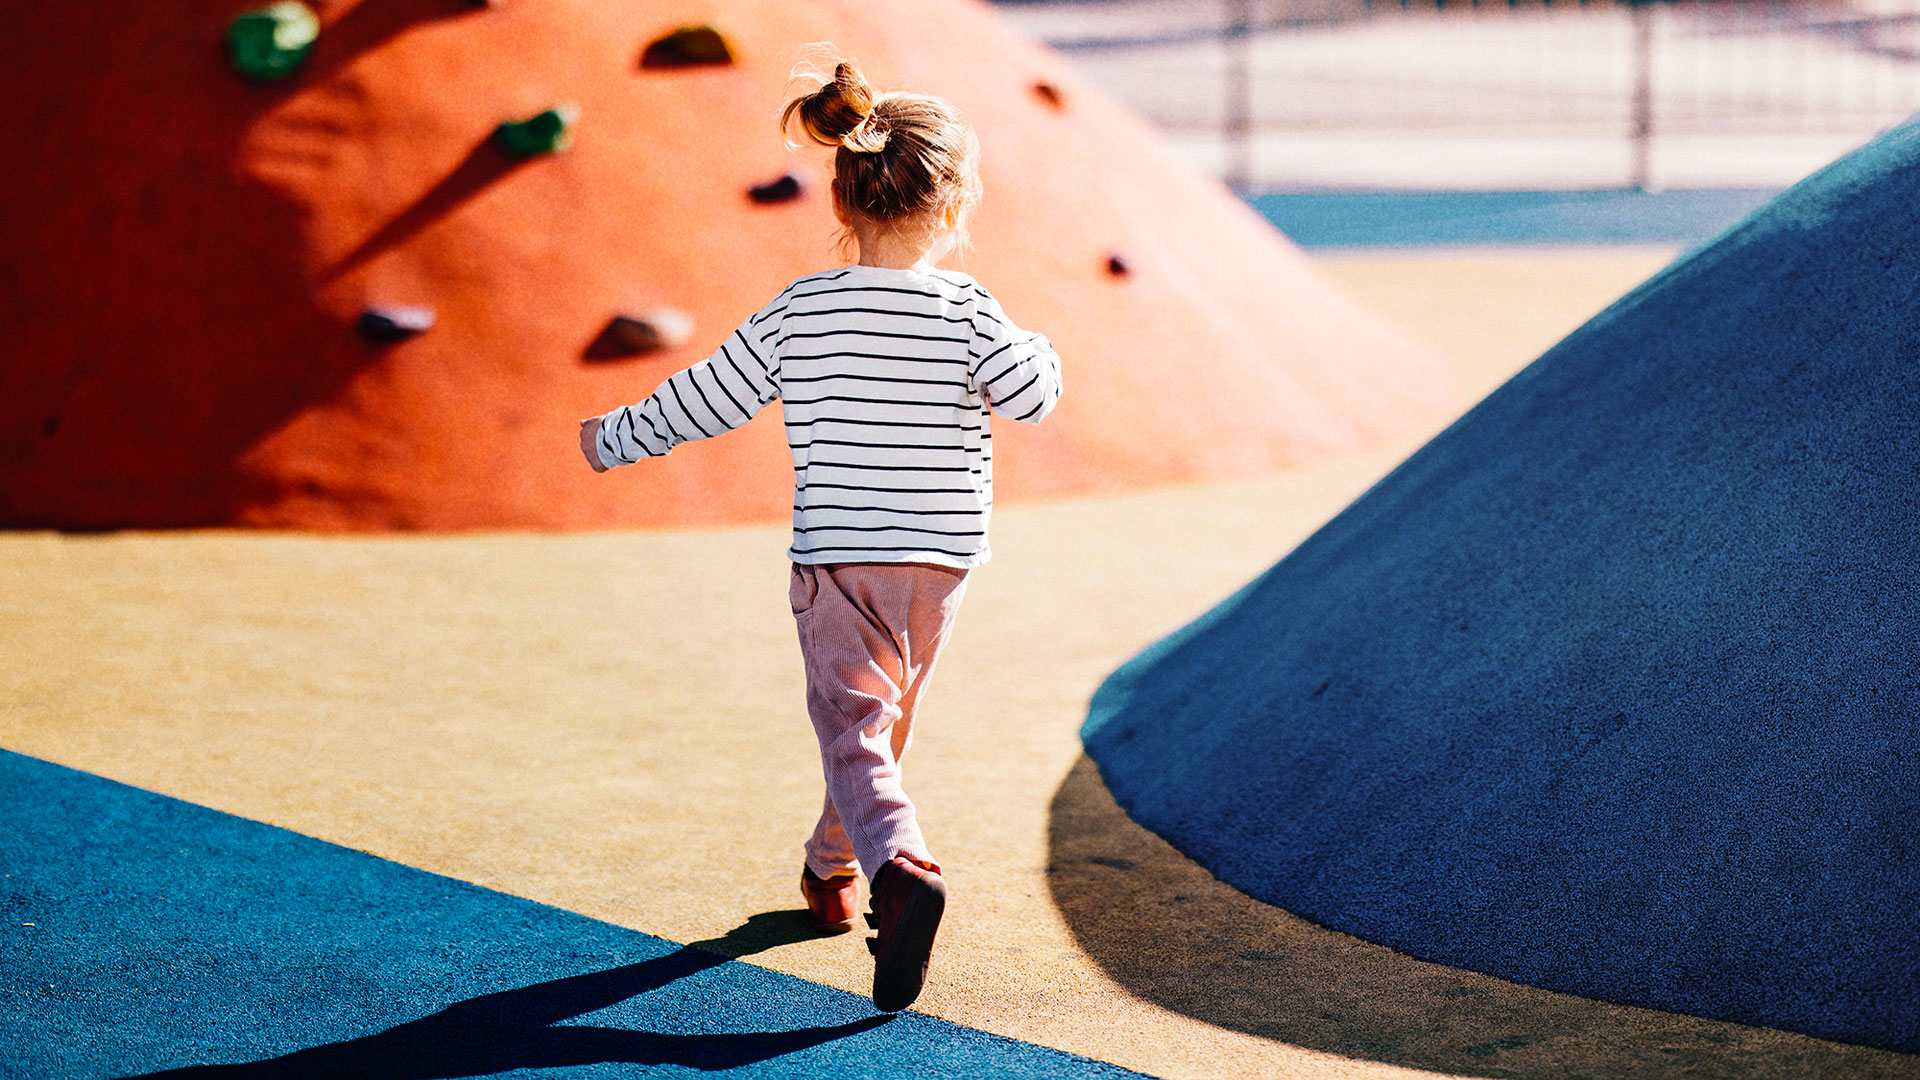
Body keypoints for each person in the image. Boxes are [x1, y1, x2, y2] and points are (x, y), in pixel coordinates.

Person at [576, 57, 1061, 1013]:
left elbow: (702, 401)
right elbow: (1034, 397)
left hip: (840, 560)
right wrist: (1032, 344)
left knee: (852, 728)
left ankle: (903, 867)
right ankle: (832, 870)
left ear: (841, 194)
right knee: (875, 730)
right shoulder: (968, 312)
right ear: (955, 201)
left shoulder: (803, 309)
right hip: (942, 566)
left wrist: (614, 438)